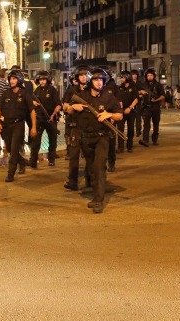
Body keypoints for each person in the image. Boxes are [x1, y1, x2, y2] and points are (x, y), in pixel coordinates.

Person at [69, 67, 123, 214]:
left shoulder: (108, 97)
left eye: (101, 80)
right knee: (92, 168)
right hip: (86, 137)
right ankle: (95, 196)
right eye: (96, 79)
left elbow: (120, 115)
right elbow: (68, 110)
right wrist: (74, 107)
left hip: (102, 137)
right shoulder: (83, 95)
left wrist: (108, 114)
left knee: (100, 167)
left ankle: (99, 200)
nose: (99, 83)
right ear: (91, 81)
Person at [0, 69, 37, 182]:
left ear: (19, 80)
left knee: (14, 151)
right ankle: (22, 162)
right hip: (6, 125)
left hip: (18, 125)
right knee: (9, 149)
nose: (12, 81)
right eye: (10, 79)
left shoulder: (25, 94)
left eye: (14, 79)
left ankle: (10, 174)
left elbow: (32, 111)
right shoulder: (6, 93)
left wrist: (33, 127)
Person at [62, 64, 90, 190]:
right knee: (74, 155)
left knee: (90, 155)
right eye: (81, 75)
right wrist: (73, 107)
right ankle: (73, 181)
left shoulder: (92, 89)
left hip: (90, 126)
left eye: (85, 75)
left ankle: (91, 179)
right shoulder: (71, 90)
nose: (84, 77)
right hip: (76, 126)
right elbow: (65, 106)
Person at [31, 70, 62, 167]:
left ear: (47, 80)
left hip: (51, 119)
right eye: (40, 79)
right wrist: (33, 103)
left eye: (44, 79)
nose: (42, 81)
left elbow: (58, 105)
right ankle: (33, 161)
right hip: (40, 118)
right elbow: (31, 101)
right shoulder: (37, 91)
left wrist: (53, 114)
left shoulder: (52, 90)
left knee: (52, 140)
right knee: (36, 141)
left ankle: (51, 159)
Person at [138, 68, 166, 147]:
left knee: (156, 124)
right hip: (146, 107)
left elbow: (163, 95)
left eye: (151, 75)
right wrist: (141, 92)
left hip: (155, 107)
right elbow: (137, 93)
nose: (149, 77)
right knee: (146, 125)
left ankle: (154, 140)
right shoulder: (143, 85)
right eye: (148, 75)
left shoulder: (158, 85)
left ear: (154, 76)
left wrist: (156, 99)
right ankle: (145, 140)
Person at [117, 70, 138, 153]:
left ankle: (130, 146)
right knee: (120, 129)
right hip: (121, 111)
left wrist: (129, 108)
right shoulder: (119, 88)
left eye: (123, 77)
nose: (121, 79)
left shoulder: (133, 87)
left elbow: (136, 99)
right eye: (121, 78)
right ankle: (120, 147)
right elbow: (117, 99)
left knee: (131, 129)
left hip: (131, 111)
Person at [130, 69, 143, 137]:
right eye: (133, 75)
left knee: (138, 117)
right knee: (131, 118)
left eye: (135, 75)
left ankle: (138, 130)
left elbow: (143, 91)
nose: (134, 76)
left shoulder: (139, 83)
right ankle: (131, 131)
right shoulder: (129, 83)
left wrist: (141, 94)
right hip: (130, 102)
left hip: (138, 102)